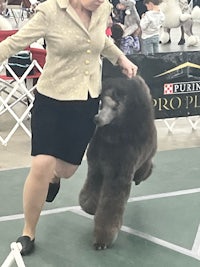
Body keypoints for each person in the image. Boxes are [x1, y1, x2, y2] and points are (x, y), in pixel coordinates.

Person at [0, 0, 138, 256]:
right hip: (52, 99)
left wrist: (120, 58)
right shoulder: (50, 11)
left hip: (85, 101)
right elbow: (15, 42)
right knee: (41, 163)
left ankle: (55, 176)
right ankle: (28, 231)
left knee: (65, 170)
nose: (100, 1)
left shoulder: (103, 9)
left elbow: (102, 41)